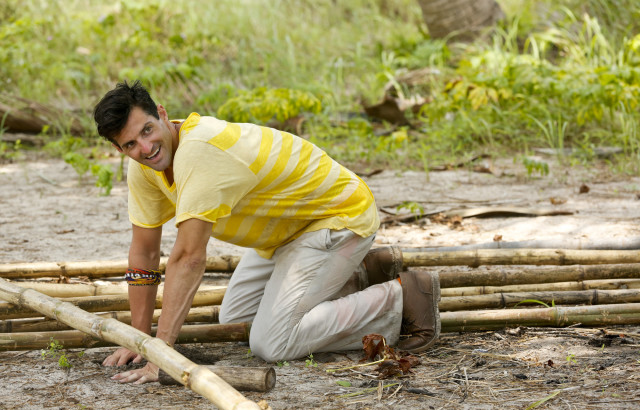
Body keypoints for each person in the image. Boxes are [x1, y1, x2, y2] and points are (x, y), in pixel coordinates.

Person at [93, 80, 441, 384]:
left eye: (147, 130)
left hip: (336, 216)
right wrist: (139, 338)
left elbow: (188, 258)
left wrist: (161, 354)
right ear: (119, 149)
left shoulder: (199, 152)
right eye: (130, 144)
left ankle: (403, 296)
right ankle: (356, 276)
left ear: (163, 115)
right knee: (238, 318)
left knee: (272, 343)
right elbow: (145, 252)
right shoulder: (144, 168)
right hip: (286, 233)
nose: (145, 147)